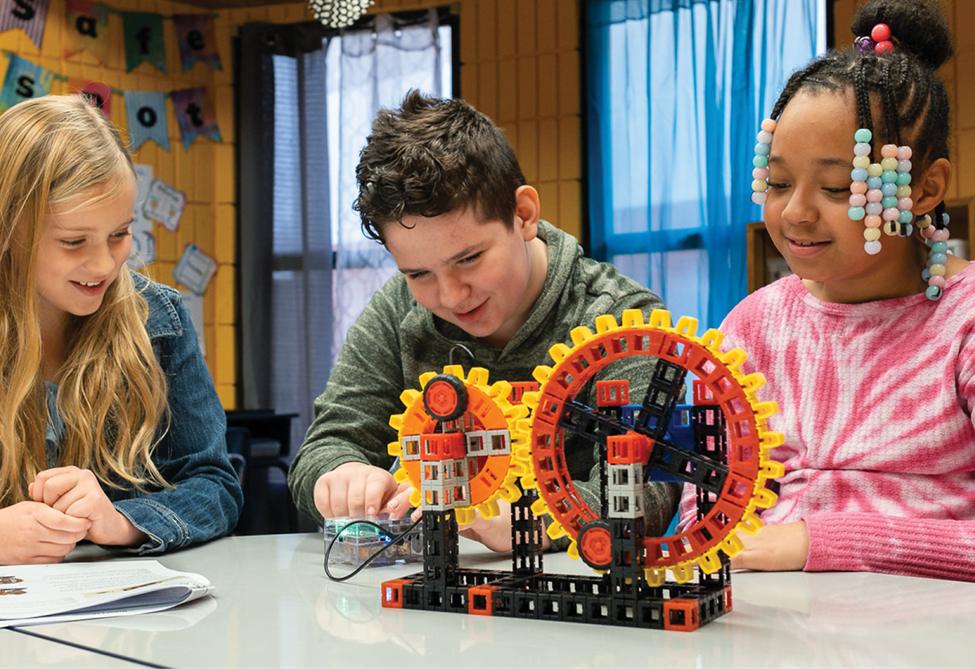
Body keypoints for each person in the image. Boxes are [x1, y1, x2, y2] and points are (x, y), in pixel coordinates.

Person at [289, 91, 679, 551]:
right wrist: (341, 475)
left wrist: (522, 517)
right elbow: (325, 445)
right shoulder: (397, 313)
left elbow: (647, 496)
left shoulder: (622, 320)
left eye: (470, 258)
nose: (452, 295)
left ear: (524, 214)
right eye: (419, 274)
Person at [679, 0, 974, 581]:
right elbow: (705, 504)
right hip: (764, 627)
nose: (795, 213)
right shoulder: (750, 326)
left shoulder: (963, 323)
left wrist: (822, 541)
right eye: (779, 180)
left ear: (925, 188)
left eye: (839, 188)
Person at [0, 95, 242, 565]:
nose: (104, 264)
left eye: (120, 234)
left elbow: (215, 485)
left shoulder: (159, 321)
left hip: (121, 625)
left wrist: (123, 522)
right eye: (74, 242)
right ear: (9, 228)